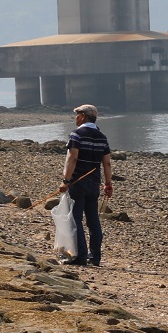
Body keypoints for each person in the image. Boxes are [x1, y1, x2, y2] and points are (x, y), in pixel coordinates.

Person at [57, 104, 113, 267]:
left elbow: (72, 158)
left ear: (83, 116)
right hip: (94, 183)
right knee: (93, 219)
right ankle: (95, 256)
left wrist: (66, 181)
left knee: (75, 219)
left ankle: (80, 256)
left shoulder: (77, 134)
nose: (75, 117)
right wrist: (108, 184)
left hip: (77, 182)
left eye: (77, 114)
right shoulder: (102, 137)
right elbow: (107, 163)